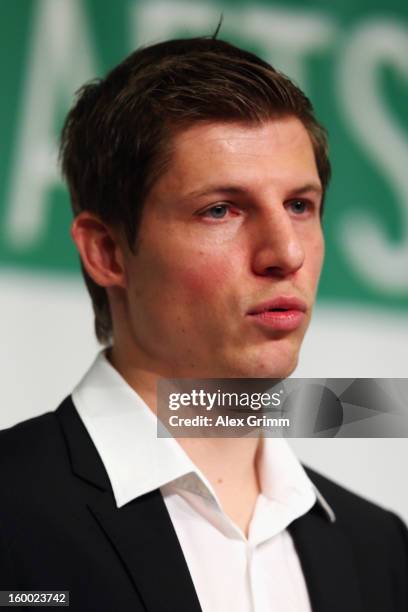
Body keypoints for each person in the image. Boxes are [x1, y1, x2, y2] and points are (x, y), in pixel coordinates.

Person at [0, 36, 407, 612]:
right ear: (108, 252)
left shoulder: (378, 550)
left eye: (299, 205)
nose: (284, 252)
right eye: (221, 209)